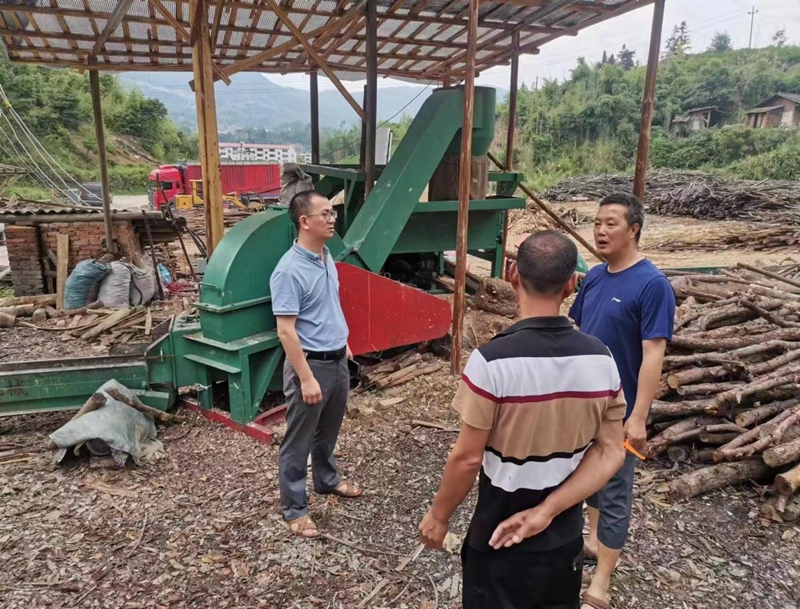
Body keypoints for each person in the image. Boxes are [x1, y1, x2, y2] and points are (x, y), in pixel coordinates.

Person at [419, 230, 627, 609]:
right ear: (572, 284)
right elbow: (611, 450)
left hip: (498, 533)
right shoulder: (601, 359)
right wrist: (547, 511)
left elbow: (467, 458)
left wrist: (438, 516)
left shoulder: (492, 361)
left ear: (513, 274)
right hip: (563, 534)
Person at [569, 192, 675, 609]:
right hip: (583, 404)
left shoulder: (652, 285)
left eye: (610, 223)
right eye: (596, 222)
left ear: (634, 229)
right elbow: (576, 328)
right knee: (586, 477)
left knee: (614, 491)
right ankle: (594, 541)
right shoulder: (596, 276)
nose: (600, 230)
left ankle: (601, 584)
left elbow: (654, 353)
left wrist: (639, 416)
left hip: (620, 412)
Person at [270, 189, 362, 539]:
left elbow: (328, 305)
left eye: (332, 212)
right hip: (310, 366)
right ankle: (295, 509)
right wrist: (306, 378)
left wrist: (343, 341)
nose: (332, 218)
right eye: (325, 213)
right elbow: (285, 331)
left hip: (337, 358)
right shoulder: (289, 270)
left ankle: (326, 479)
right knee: (299, 439)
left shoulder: (326, 257)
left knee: (329, 430)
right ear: (304, 221)